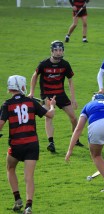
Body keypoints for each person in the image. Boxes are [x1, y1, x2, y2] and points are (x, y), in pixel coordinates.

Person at [0, 75, 56, 214]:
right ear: (22, 87)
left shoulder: (7, 104)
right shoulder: (31, 103)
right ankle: (28, 206)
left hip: (16, 145)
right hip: (32, 144)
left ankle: (17, 199)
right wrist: (52, 105)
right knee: (29, 177)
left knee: (10, 168)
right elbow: (50, 115)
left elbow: (0, 124)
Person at [28, 40, 83, 153]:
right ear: (52, 51)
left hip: (61, 95)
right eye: (56, 50)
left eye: (60, 50)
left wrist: (73, 99)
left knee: (74, 118)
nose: (58, 52)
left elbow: (70, 81)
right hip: (47, 95)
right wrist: (31, 92)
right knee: (49, 116)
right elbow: (34, 76)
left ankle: (75, 139)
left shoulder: (65, 64)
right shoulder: (44, 64)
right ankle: (51, 142)